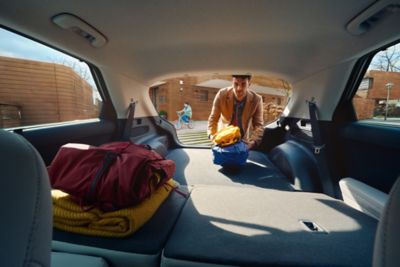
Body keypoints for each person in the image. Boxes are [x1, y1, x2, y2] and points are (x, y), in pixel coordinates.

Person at [207, 74, 264, 150]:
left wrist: (253, 142)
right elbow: (213, 119)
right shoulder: (221, 94)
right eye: (236, 84)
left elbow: (258, 125)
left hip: (242, 141)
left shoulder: (256, 100)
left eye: (243, 84)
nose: (239, 88)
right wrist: (213, 136)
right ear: (232, 83)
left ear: (249, 84)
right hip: (223, 139)